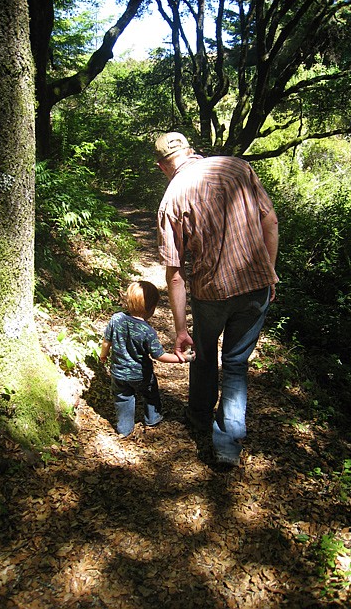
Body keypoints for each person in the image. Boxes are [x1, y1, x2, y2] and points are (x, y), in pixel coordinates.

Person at [155, 132, 279, 467]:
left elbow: (176, 273)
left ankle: (198, 418)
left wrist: (181, 332)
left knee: (205, 355)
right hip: (255, 286)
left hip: (211, 293)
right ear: (192, 152)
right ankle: (228, 443)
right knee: (237, 363)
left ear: (162, 167)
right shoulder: (237, 168)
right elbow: (270, 221)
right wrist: (269, 273)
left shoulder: (171, 199)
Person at [100, 280, 194, 436]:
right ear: (151, 309)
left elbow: (106, 341)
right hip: (141, 375)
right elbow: (160, 356)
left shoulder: (116, 319)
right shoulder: (147, 331)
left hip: (118, 373)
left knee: (122, 397)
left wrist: (103, 355)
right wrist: (182, 358)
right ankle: (153, 418)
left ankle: (124, 429)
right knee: (150, 394)